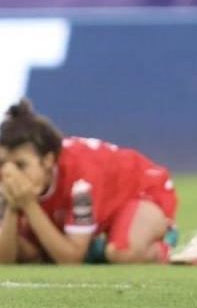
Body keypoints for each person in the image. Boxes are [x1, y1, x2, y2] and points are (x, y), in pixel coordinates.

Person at [0, 99, 177, 265]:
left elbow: (71, 259)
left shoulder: (81, 180)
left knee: (121, 252)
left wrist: (29, 205)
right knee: (28, 253)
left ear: (47, 160)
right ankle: (96, 242)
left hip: (142, 191)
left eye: (20, 165)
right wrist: (12, 207)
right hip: (93, 204)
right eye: (2, 163)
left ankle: (166, 245)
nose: (9, 174)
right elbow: (5, 261)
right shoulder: (10, 177)